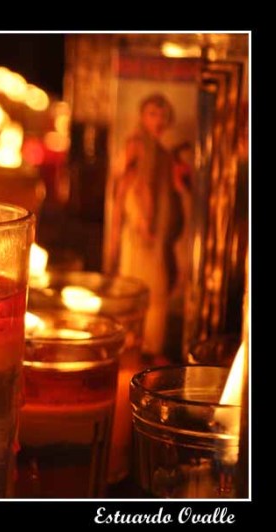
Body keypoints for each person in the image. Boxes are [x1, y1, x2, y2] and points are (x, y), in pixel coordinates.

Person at [110, 93, 185, 355]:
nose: (158, 120)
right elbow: (127, 189)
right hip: (140, 235)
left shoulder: (164, 154)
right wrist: (142, 220)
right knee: (139, 292)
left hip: (158, 238)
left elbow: (169, 195)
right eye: (153, 114)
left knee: (157, 293)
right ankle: (135, 350)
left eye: (163, 115)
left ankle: (150, 350)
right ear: (142, 116)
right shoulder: (136, 145)